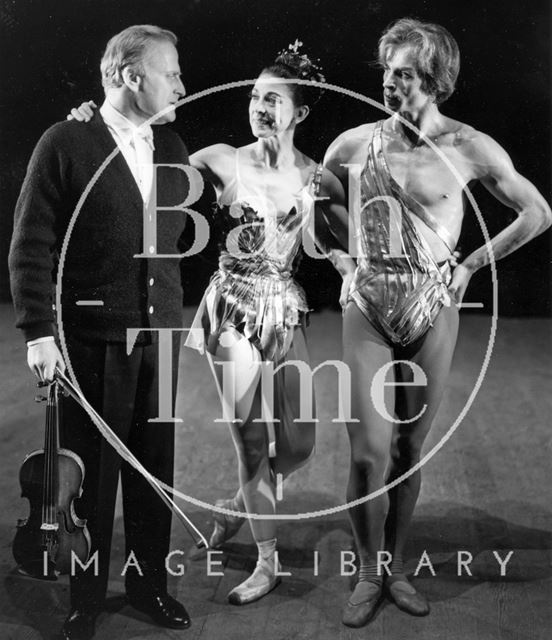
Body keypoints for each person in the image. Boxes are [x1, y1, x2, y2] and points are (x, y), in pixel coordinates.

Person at [323, 18, 551, 628]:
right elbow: (319, 205)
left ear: (434, 80)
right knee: (368, 451)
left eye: (404, 74)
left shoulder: (470, 148)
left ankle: (396, 569)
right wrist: (344, 255)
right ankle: (367, 572)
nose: (390, 84)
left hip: (434, 308)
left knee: (408, 448)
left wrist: (474, 263)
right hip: (366, 308)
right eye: (387, 73)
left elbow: (537, 212)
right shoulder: (350, 145)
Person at [9, 25, 192, 640]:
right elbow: (30, 245)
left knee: (154, 474)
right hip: (92, 337)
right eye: (171, 74)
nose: (182, 85)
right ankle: (84, 600)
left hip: (160, 340)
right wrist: (39, 331)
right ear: (132, 77)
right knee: (93, 478)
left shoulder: (172, 149)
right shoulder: (66, 141)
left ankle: (149, 589)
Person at [186, 43, 354, 605]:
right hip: (231, 309)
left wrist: (346, 261)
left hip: (283, 309)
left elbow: (341, 238)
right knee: (253, 444)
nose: (259, 106)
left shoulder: (318, 177)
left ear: (300, 113)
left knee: (301, 443)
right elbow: (147, 181)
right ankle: (266, 563)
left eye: (273, 99)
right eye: (255, 96)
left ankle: (238, 504)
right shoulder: (219, 160)